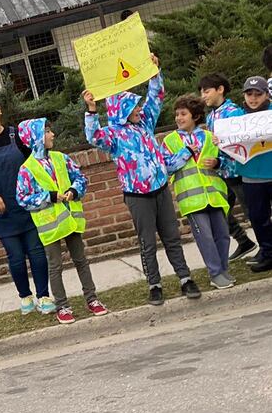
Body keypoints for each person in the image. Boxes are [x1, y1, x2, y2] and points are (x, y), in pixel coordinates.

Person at [82, 55, 199, 305]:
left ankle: (185, 278)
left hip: (160, 190)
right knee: (147, 243)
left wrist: (154, 70)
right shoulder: (113, 135)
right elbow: (93, 136)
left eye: (137, 106)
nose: (138, 109)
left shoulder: (145, 123)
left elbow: (155, 97)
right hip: (137, 196)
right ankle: (154, 284)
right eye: (133, 107)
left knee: (172, 237)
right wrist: (91, 110)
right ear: (122, 110)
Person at [0, 96, 54, 315]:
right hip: (0, 210)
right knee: (15, 256)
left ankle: (43, 296)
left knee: (37, 251)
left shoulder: (18, 136)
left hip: (27, 205)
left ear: (0, 110)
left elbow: (35, 163)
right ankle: (25, 297)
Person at [15, 118, 108, 325]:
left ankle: (92, 299)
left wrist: (74, 190)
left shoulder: (61, 158)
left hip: (71, 221)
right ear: (36, 137)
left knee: (81, 260)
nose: (52, 135)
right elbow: (23, 199)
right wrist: (50, 196)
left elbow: (80, 178)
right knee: (55, 266)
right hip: (49, 226)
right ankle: (62, 305)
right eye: (47, 132)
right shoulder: (26, 169)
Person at [161, 94, 234, 288]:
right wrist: (185, 153)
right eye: (176, 114)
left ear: (195, 116)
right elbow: (166, 167)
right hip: (192, 200)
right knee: (206, 238)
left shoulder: (210, 137)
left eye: (183, 114)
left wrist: (218, 163)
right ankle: (215, 273)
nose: (178, 118)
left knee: (222, 235)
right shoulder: (170, 140)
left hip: (215, 195)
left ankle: (224, 269)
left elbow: (226, 161)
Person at [199, 73, 257, 261]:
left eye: (206, 91)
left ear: (220, 89)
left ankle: (267, 247)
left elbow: (243, 140)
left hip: (238, 171)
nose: (203, 96)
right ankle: (244, 241)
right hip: (222, 172)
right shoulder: (211, 116)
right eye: (201, 92)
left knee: (252, 212)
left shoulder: (233, 112)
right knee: (220, 210)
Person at [237, 76, 272, 272]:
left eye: (258, 94)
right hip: (251, 176)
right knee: (258, 218)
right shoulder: (238, 119)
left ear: (266, 94)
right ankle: (268, 254)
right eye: (249, 94)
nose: (253, 98)